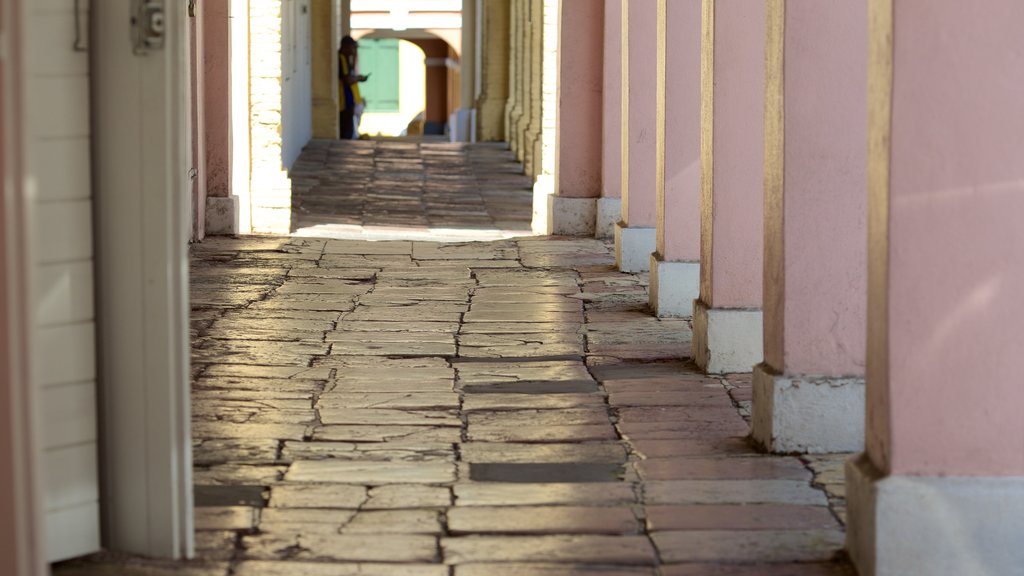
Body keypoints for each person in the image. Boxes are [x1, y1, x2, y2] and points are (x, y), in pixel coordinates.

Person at [338, 36, 368, 139]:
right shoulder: (341, 58)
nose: (353, 50)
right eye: (352, 48)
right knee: (346, 128)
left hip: (349, 99)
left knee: (349, 127)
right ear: (346, 47)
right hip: (344, 99)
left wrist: (354, 55)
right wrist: (358, 78)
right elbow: (346, 79)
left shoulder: (346, 59)